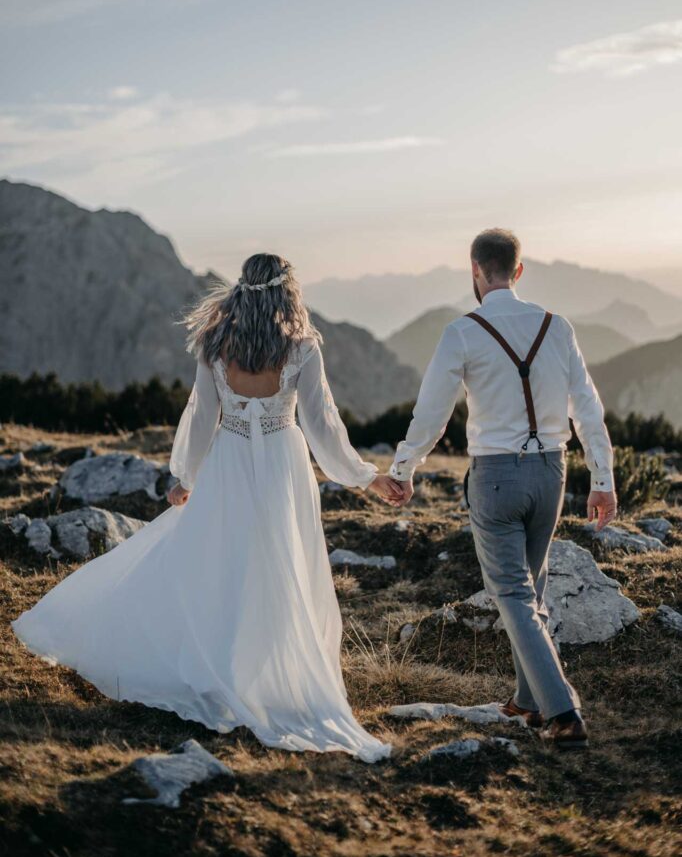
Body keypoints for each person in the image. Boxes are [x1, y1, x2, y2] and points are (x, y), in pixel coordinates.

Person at [13, 254, 399, 762]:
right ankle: (266, 673)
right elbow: (323, 427)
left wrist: (185, 477)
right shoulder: (303, 347)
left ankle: (222, 667)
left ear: (244, 289)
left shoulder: (215, 345)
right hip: (284, 466)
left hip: (229, 462)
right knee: (278, 568)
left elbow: (200, 419)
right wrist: (367, 477)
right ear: (289, 292)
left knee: (222, 565)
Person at [389, 229, 617, 750]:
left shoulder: (461, 332)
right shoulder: (557, 327)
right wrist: (601, 480)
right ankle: (528, 701)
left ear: (475, 270)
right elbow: (587, 408)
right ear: (519, 270)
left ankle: (563, 711)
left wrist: (404, 468)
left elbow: (432, 414)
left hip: (494, 476)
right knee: (530, 588)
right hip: (552, 473)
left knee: (512, 592)